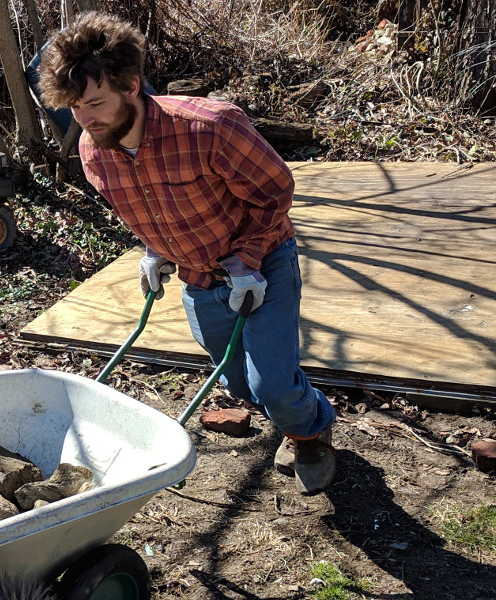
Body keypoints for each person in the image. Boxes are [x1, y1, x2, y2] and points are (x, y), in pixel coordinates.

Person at [38, 11, 337, 494]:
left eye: (94, 103)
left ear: (132, 85)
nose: (84, 120)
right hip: (198, 278)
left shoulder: (210, 128)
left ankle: (311, 429)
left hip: (264, 265)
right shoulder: (95, 153)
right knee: (238, 384)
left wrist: (249, 258)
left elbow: (276, 191)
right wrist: (155, 251)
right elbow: (141, 210)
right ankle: (290, 412)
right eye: (74, 107)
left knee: (272, 386)